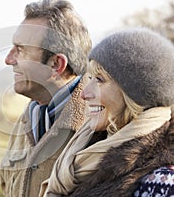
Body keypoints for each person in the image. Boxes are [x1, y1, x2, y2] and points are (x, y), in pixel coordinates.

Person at [40, 27, 174, 196]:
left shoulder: (163, 183)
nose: (84, 94)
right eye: (90, 78)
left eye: (100, 80)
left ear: (133, 95)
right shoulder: (85, 150)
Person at [0, 0, 92, 197]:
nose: (8, 59)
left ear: (56, 64)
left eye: (21, 49)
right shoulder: (26, 121)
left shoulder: (97, 127)